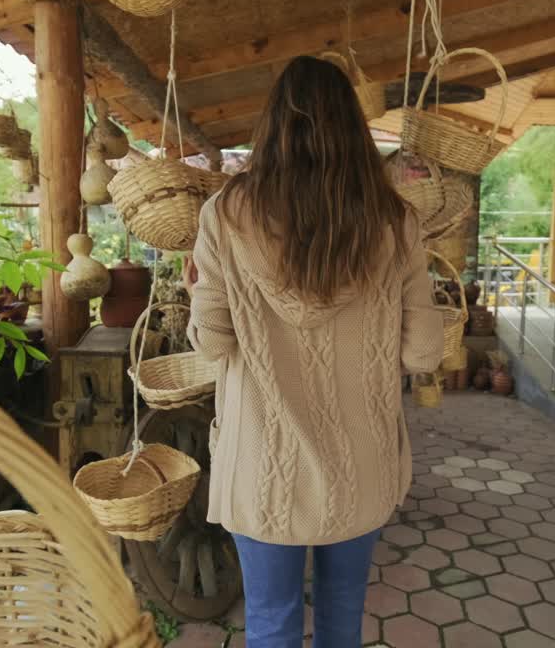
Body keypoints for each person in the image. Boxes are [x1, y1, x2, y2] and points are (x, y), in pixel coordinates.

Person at [184, 55, 444, 648]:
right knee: (341, 619)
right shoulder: (396, 222)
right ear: (352, 130)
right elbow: (425, 352)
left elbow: (214, 344)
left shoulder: (224, 215)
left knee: (271, 624)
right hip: (364, 460)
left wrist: (196, 289)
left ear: (272, 127)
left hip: (261, 465)